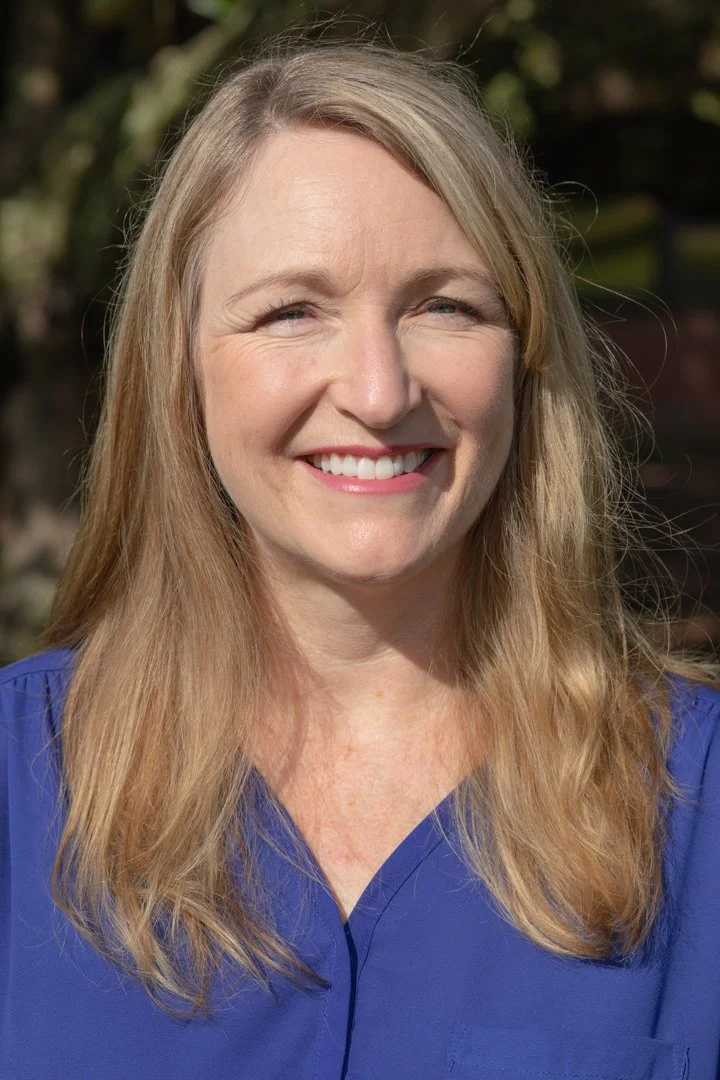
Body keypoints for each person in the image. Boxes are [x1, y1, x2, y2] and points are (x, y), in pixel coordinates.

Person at [1, 36, 719, 1080]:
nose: (379, 392)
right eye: (293, 311)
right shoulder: (20, 792)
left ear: (525, 361)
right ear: (178, 371)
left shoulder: (696, 805)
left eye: (444, 306)